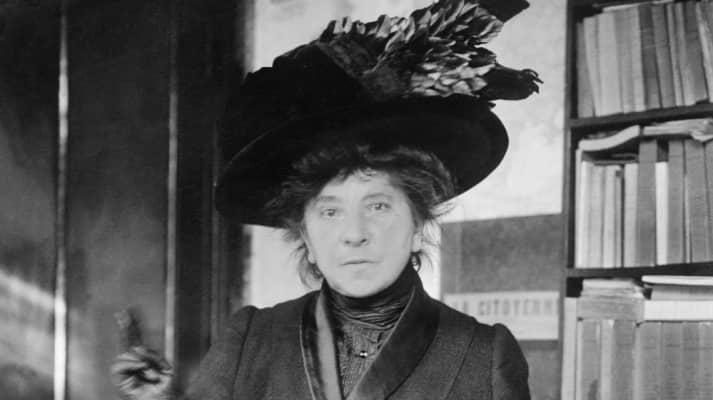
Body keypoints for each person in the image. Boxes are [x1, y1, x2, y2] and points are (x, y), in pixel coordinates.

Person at [111, 0, 541, 399]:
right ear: (306, 237)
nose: (354, 234)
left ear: (417, 226)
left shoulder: (484, 354)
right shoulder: (251, 338)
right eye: (330, 211)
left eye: (378, 206)